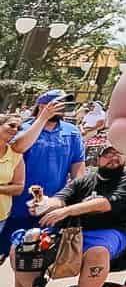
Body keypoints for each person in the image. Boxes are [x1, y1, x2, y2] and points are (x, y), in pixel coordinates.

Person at [10, 143, 126, 287]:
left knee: (98, 252)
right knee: (21, 246)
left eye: (118, 153)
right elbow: (61, 198)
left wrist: (66, 211)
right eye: (108, 154)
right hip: (73, 231)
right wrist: (44, 204)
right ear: (98, 159)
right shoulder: (85, 180)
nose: (113, 157)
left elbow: (105, 203)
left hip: (113, 232)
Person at [3, 93, 86, 256]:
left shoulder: (71, 132)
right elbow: (18, 148)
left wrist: (74, 199)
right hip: (17, 207)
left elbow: (78, 168)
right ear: (42, 106)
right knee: (6, 251)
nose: (63, 108)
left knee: (36, 259)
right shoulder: (25, 128)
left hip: (50, 207)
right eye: (58, 104)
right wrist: (42, 119)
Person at [0, 115, 23, 252]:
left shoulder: (16, 156)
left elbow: (19, 187)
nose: (15, 130)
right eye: (12, 125)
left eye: (19, 128)